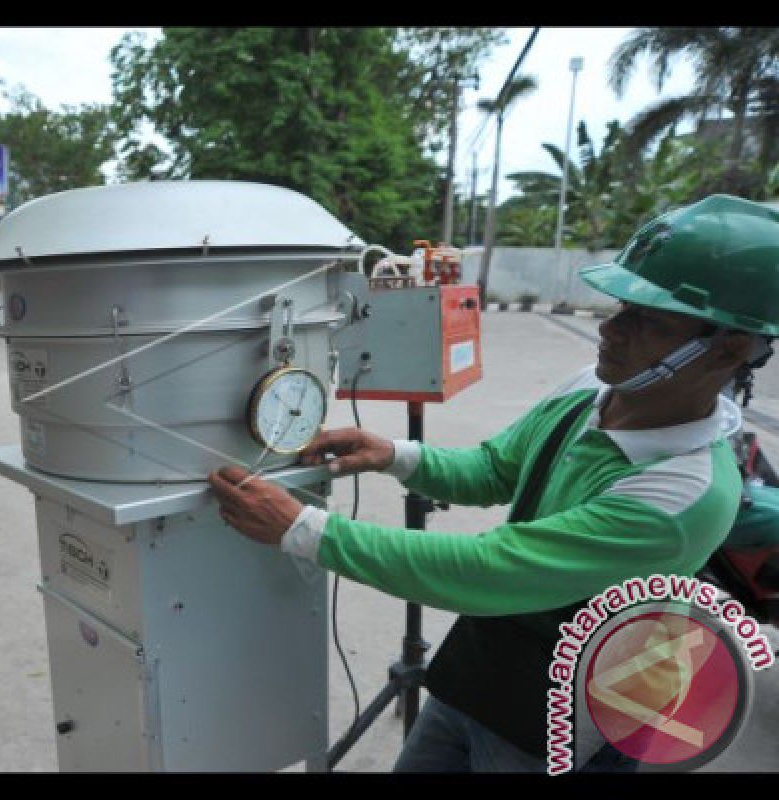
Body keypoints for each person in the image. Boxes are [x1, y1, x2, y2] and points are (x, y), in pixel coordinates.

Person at [208, 194, 779, 772]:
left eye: (649, 319)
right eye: (620, 305)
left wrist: (302, 530)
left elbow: (490, 567)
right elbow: (497, 467)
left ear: (728, 347)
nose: (611, 328)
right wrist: (394, 454)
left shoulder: (687, 491)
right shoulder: (593, 388)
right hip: (485, 667)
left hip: (567, 713)